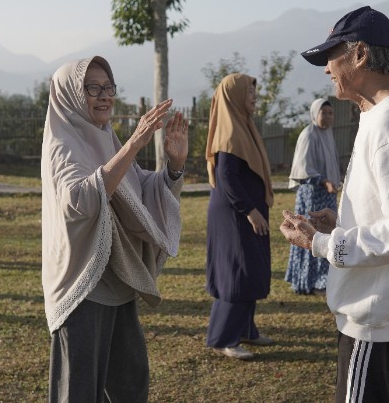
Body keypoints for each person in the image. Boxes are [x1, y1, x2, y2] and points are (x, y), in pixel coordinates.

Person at [280, 6, 389, 402]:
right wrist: (340, 221)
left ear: (361, 55)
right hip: (380, 312)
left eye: (331, 57)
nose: (325, 69)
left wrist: (320, 244)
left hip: (371, 316)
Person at [41, 56, 188, 402]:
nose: (104, 95)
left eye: (108, 87)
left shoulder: (106, 137)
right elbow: (78, 202)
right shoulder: (63, 146)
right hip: (83, 285)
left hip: (119, 278)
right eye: (92, 87)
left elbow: (136, 188)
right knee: (79, 391)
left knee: (129, 384)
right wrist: (134, 143)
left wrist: (175, 167)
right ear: (71, 95)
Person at [205, 73, 275, 360]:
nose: (254, 97)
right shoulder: (230, 134)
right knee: (238, 271)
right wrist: (250, 210)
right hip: (236, 214)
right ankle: (223, 338)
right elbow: (227, 178)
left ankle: (246, 329)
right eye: (249, 93)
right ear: (234, 98)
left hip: (244, 212)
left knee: (252, 268)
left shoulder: (243, 128)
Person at [284, 98, 340, 294]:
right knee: (310, 235)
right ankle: (308, 282)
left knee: (327, 235)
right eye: (323, 113)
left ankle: (323, 281)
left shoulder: (328, 135)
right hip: (312, 195)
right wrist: (324, 181)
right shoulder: (308, 135)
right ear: (314, 114)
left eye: (330, 113)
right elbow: (304, 169)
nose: (327, 117)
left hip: (328, 195)